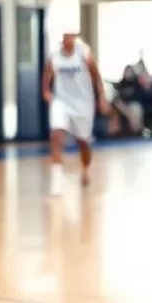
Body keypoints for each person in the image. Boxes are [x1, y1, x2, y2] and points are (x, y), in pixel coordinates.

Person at [42, 32, 109, 196]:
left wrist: (101, 98)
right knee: (56, 134)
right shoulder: (54, 56)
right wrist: (47, 94)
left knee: (83, 142)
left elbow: (97, 77)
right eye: (65, 36)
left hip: (83, 103)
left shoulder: (84, 54)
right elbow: (46, 80)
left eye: (71, 36)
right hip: (61, 102)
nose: (68, 39)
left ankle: (85, 169)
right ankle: (57, 181)